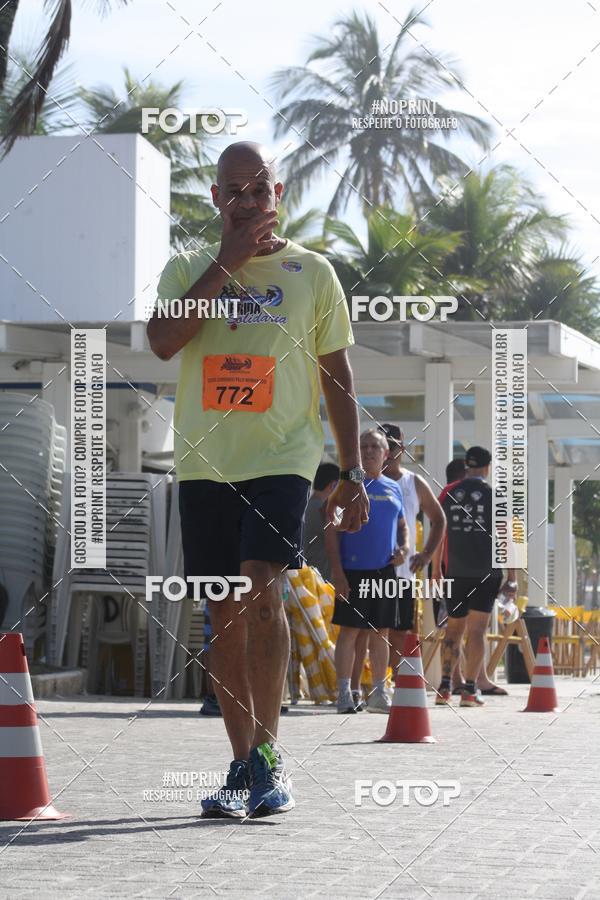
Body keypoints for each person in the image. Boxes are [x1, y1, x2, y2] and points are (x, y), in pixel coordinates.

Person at [148, 141, 369, 818]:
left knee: (260, 585)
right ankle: (243, 762)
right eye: (234, 191)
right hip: (205, 462)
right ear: (216, 198)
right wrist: (227, 264)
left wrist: (353, 471)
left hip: (282, 457)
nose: (248, 202)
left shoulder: (313, 272)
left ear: (279, 194)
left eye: (259, 189)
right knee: (224, 608)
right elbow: (162, 342)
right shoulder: (188, 267)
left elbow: (336, 375)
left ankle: (270, 758)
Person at [326, 429, 409, 714]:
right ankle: (344, 693)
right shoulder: (348, 485)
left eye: (375, 446)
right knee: (349, 631)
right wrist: (337, 572)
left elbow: (402, 526)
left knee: (381, 632)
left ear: (386, 454)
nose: (370, 451)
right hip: (352, 570)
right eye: (364, 446)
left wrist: (404, 547)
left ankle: (378, 692)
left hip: (384, 571)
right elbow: (331, 531)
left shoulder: (393, 487)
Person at [435, 446, 518, 707]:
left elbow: (438, 532)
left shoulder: (448, 493)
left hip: (455, 572)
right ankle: (470, 690)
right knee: (477, 631)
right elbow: (508, 539)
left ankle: (445, 687)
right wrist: (512, 578)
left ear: (467, 466)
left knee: (453, 630)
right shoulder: (496, 496)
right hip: (486, 573)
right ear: (487, 467)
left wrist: (436, 570)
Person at [379, 424, 446, 670]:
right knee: (369, 631)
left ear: (402, 448)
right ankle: (371, 683)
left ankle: (393, 681)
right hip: (368, 568)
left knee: (400, 630)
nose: (388, 452)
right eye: (383, 445)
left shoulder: (413, 482)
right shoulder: (364, 481)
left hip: (403, 571)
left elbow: (439, 519)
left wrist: (426, 554)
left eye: (392, 446)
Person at [302, 462, 340, 581]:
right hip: (320, 577)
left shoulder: (308, 505)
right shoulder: (321, 509)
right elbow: (339, 536)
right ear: (333, 485)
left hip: (311, 573)